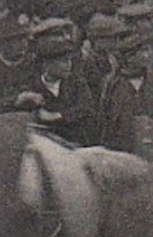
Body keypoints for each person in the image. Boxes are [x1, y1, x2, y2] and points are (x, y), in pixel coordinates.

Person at [17, 19, 100, 147]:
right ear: (47, 63)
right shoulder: (33, 86)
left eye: (70, 61)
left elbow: (87, 109)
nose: (69, 66)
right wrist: (20, 99)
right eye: (62, 61)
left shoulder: (77, 84)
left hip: (76, 147)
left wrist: (58, 116)